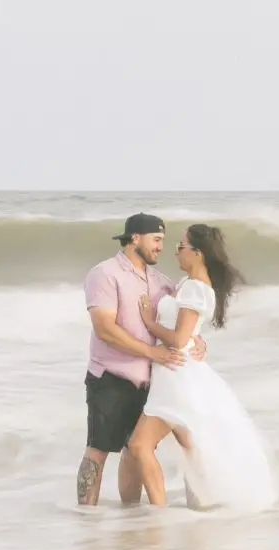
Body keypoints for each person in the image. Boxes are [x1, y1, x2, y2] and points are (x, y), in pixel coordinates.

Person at [127, 223, 279, 511]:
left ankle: (161, 515)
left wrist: (150, 322)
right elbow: (187, 331)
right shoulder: (190, 285)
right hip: (176, 374)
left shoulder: (196, 288)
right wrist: (195, 338)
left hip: (175, 376)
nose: (175, 251)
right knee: (190, 447)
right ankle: (201, 511)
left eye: (181, 246)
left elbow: (177, 339)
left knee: (139, 446)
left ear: (198, 253)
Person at [77, 213, 207, 506]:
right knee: (98, 450)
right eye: (157, 240)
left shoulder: (162, 282)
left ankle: (131, 518)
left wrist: (199, 341)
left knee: (135, 450)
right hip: (110, 376)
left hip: (153, 381)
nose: (162, 247)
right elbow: (105, 329)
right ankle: (86, 521)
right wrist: (153, 352)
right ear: (135, 238)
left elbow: (184, 319)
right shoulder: (105, 274)